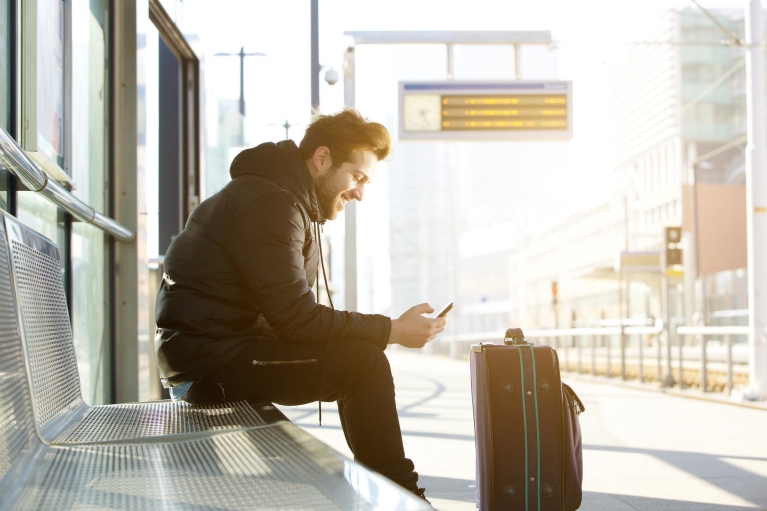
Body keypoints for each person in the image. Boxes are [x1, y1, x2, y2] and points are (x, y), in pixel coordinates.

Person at [155, 108, 447, 500]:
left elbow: (290, 318)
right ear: (322, 159)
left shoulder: (283, 200)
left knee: (358, 357)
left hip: (215, 355)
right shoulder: (270, 205)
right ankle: (406, 498)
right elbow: (297, 320)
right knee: (363, 364)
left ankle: (396, 494)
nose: (360, 192)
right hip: (209, 367)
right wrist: (391, 330)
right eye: (357, 177)